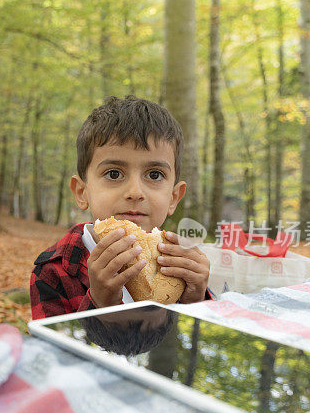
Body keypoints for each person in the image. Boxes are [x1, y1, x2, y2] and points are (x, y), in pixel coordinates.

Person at [30, 95, 211, 320]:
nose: (135, 192)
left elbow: (190, 348)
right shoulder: (53, 271)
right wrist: (101, 304)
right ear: (81, 192)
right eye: (114, 174)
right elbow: (55, 351)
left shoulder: (180, 265)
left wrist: (196, 300)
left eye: (154, 175)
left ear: (174, 197)